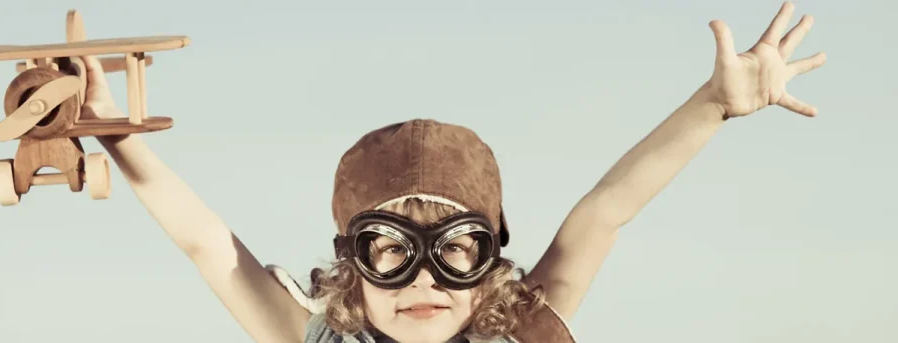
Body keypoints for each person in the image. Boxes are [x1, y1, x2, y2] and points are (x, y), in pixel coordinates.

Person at [77, 2, 825, 342]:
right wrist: (117, 139)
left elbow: (605, 210)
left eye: (455, 248)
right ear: (351, 266)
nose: (424, 281)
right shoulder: (313, 338)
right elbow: (210, 244)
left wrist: (713, 106)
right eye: (392, 250)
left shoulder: (523, 328)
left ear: (490, 258)